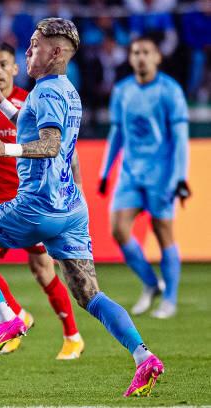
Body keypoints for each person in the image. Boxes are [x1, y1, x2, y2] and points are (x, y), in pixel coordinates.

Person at [0, 18, 164, 397]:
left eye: (34, 45)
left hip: (37, 205)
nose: (28, 51)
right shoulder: (63, 90)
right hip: (71, 210)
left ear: (56, 52)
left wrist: (8, 148)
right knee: (90, 296)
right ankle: (143, 355)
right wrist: (1, 103)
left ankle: (7, 318)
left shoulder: (45, 93)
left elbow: (48, 144)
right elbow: (35, 125)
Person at [0, 42, 84, 359]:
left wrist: (74, 187)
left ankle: (72, 335)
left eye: (2, 64)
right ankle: (15, 315)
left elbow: (61, 147)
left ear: (14, 69)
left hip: (32, 201)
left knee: (44, 271)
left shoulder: (30, 102)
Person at [98, 36, 190, 319]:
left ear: (157, 58)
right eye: (136, 52)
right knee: (118, 228)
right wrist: (105, 171)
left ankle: (170, 300)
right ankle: (152, 284)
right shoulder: (122, 90)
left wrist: (179, 178)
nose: (140, 57)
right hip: (130, 174)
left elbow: (180, 138)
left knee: (163, 231)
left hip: (161, 174)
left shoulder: (170, 91)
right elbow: (117, 133)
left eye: (146, 52)